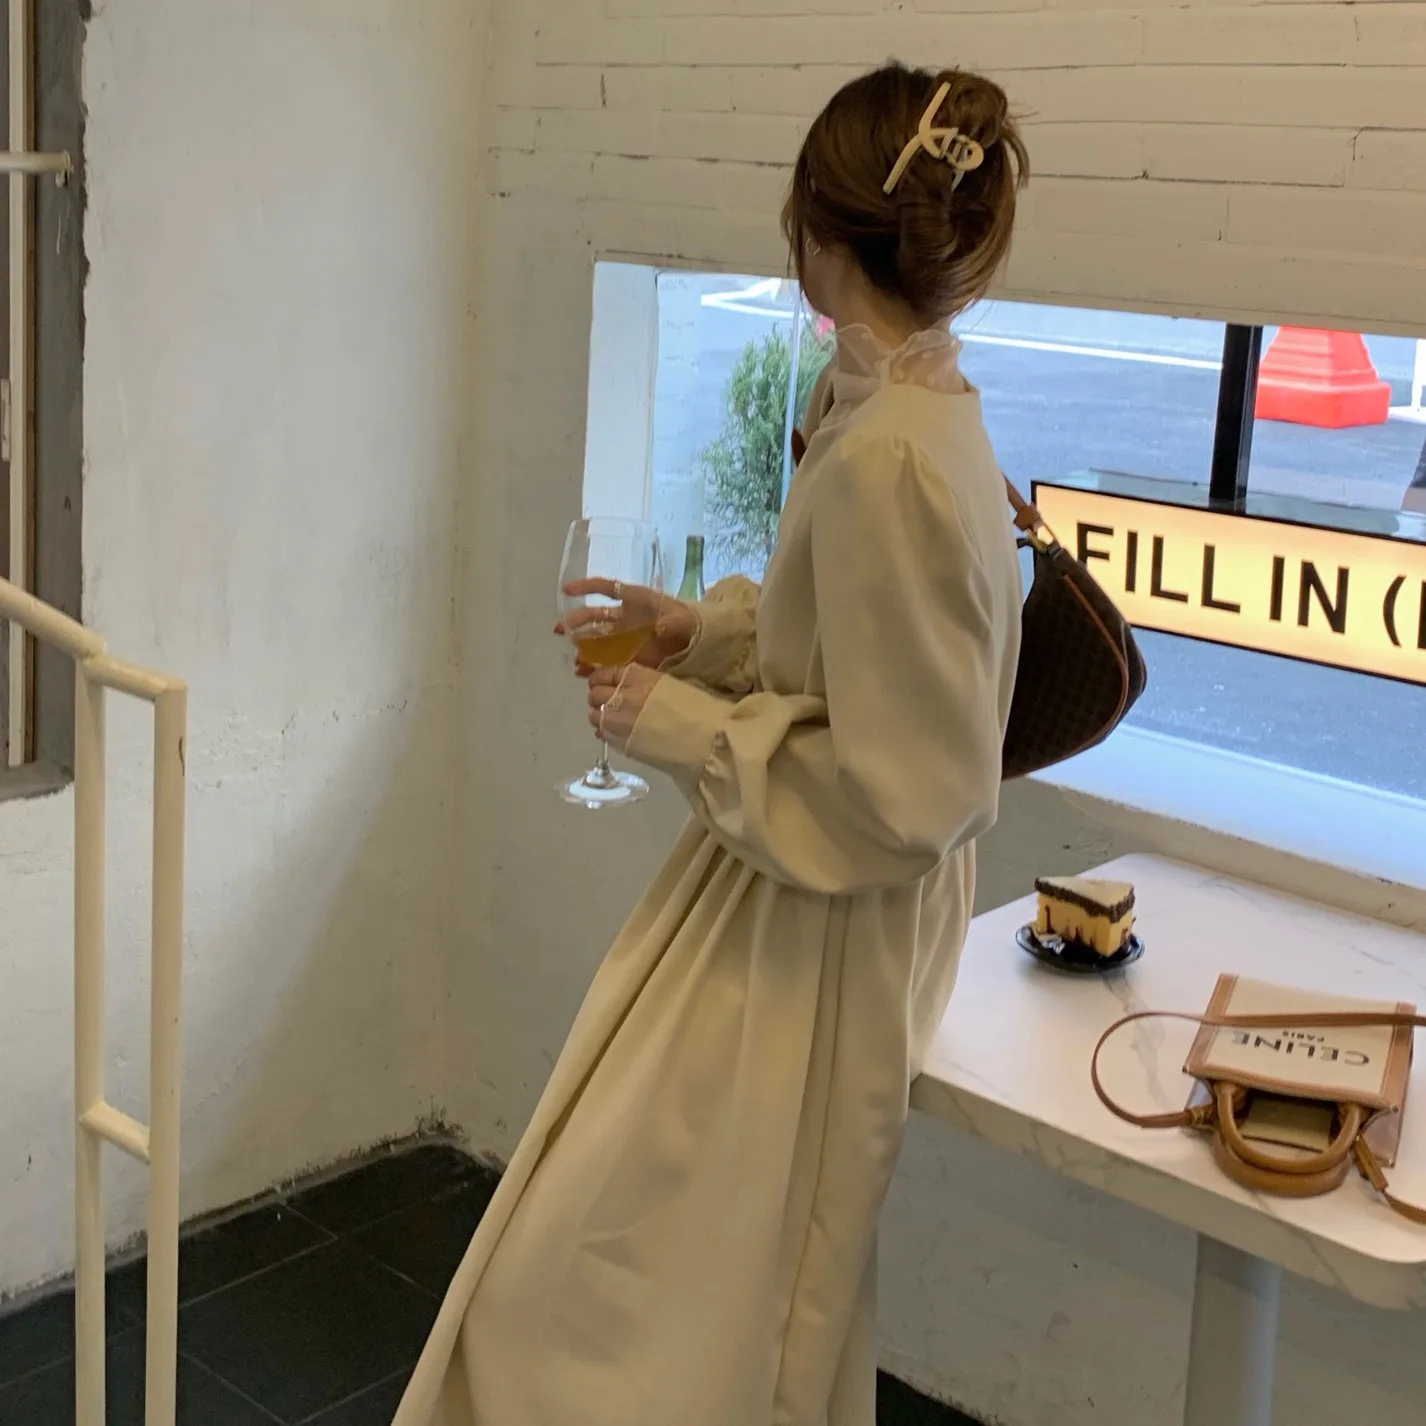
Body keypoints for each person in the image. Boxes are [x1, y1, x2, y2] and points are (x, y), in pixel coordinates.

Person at [393, 62, 1028, 1426]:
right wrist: (711, 632)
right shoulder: (908, 409)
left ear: (818, 229)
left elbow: (905, 790)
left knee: (656, 1286)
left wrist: (675, 723)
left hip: (825, 916)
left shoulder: (893, 451)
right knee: (679, 1275)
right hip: (796, 890)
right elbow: (856, 652)